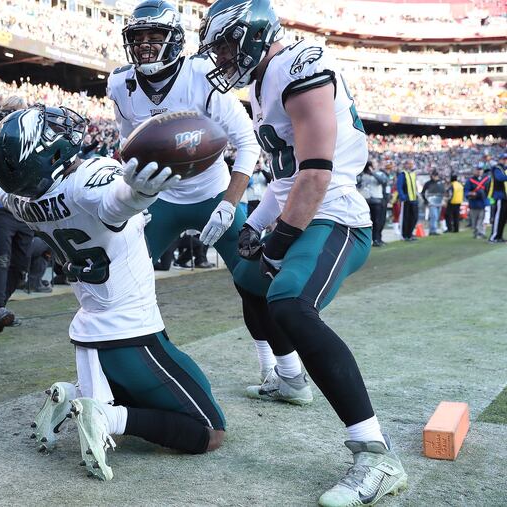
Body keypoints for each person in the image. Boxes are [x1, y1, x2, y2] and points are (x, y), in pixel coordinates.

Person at [0, 104, 225, 482]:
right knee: (210, 430)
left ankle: (71, 395)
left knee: (168, 390)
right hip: (132, 334)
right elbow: (115, 205)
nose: (60, 130)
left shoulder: (25, 202)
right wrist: (139, 196)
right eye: (49, 134)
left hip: (91, 334)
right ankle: (106, 416)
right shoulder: (86, 182)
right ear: (46, 154)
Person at [197, 1, 407, 505]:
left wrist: (278, 240)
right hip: (304, 202)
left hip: (336, 215)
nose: (222, 57)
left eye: (226, 45)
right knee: (250, 281)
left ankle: (376, 453)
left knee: (289, 301)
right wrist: (252, 222)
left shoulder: (301, 67)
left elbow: (316, 176)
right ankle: (291, 380)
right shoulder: (263, 82)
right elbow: (287, 177)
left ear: (253, 35)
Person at [108, 0, 278, 381]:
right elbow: (127, 144)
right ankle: (144, 362)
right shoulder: (121, 83)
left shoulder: (201, 73)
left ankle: (279, 367)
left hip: (213, 192)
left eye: (156, 36)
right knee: (121, 276)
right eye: (139, 37)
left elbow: (248, 144)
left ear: (174, 39)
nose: (146, 45)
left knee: (252, 281)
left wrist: (228, 205)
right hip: (158, 199)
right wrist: (130, 193)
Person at [0, 96, 33, 331]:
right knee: (2, 259)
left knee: (21, 265)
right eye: (13, 111)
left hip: (22, 206)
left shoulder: (29, 136)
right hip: (0, 205)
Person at [357, 161, 388, 246]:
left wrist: (373, 173)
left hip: (377, 200)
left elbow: (383, 181)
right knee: (364, 221)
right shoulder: (362, 175)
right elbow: (356, 184)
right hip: (365, 200)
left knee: (378, 221)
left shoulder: (380, 173)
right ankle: (366, 240)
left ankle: (377, 239)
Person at [464, 165, 489, 239]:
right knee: (474, 219)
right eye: (477, 170)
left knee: (482, 218)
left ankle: (481, 232)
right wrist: (470, 194)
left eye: (480, 170)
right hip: (474, 202)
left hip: (483, 201)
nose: (479, 171)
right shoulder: (470, 180)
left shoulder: (487, 179)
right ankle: (476, 232)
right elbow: (466, 191)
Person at [396, 160, 419, 241]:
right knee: (406, 218)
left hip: (414, 199)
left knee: (414, 217)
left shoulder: (413, 174)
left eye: (412, 164)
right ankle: (405, 235)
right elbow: (399, 186)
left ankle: (410, 233)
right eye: (410, 164)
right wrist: (403, 196)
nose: (412, 165)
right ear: (406, 165)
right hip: (406, 200)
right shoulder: (403, 174)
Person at [487, 153, 506, 243]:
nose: (505, 161)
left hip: (504, 196)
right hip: (499, 196)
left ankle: (499, 236)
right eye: (504, 159)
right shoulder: (497, 168)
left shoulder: (503, 169)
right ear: (500, 159)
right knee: (498, 217)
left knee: (503, 218)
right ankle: (493, 237)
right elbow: (500, 178)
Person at [421, 171, 444, 236]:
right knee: (434, 216)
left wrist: (443, 200)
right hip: (431, 202)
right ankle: (433, 230)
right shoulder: (428, 183)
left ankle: (433, 230)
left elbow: (443, 192)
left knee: (436, 217)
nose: (436, 177)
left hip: (439, 202)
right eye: (435, 176)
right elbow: (423, 193)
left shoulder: (440, 183)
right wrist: (426, 200)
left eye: (436, 176)